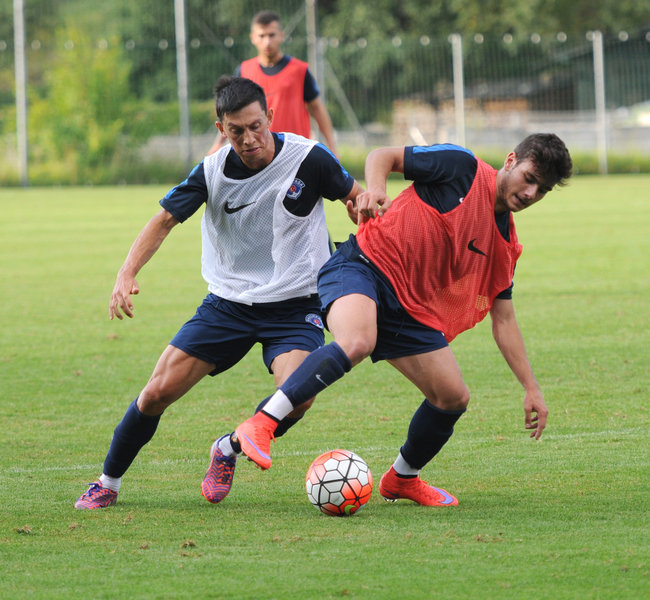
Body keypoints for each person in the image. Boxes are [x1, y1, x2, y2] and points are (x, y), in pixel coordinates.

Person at [232, 133, 573, 507]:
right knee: (357, 341)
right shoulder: (462, 168)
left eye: (542, 190)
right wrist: (376, 189)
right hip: (363, 266)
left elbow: (504, 320)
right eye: (529, 178)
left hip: (410, 308)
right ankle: (262, 423)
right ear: (510, 161)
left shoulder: (504, 244)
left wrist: (531, 388)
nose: (531, 193)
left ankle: (402, 478)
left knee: (452, 397)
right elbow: (383, 155)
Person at [74, 75, 363, 509]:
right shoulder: (210, 173)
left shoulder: (309, 158)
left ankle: (228, 447)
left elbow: (356, 197)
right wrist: (126, 271)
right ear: (220, 129)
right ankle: (106, 483)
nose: (249, 139)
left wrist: (364, 211)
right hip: (228, 304)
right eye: (236, 131)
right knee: (155, 394)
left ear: (270, 117)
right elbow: (164, 220)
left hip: (297, 302)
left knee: (298, 395)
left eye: (255, 126)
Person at [208, 10, 338, 157]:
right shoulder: (244, 70)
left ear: (281, 36)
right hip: (258, 153)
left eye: (271, 35)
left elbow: (317, 108)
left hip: (295, 152)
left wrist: (332, 146)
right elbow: (230, 113)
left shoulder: (299, 70)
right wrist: (218, 144)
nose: (267, 41)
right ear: (253, 38)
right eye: (262, 36)